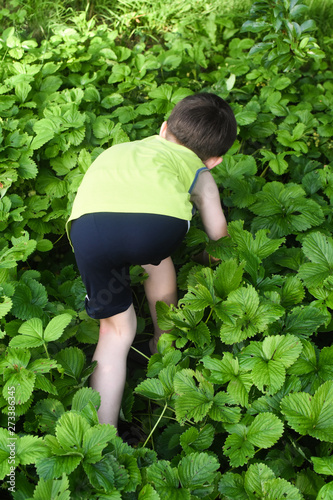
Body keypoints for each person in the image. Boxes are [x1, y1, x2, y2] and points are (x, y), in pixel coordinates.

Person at [66, 92, 237, 429]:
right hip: (156, 229)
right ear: (214, 160)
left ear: (162, 129)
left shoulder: (123, 150)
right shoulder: (202, 174)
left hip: (89, 227)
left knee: (115, 330)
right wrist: (207, 260)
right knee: (157, 259)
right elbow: (220, 239)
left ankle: (102, 435)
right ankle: (163, 340)